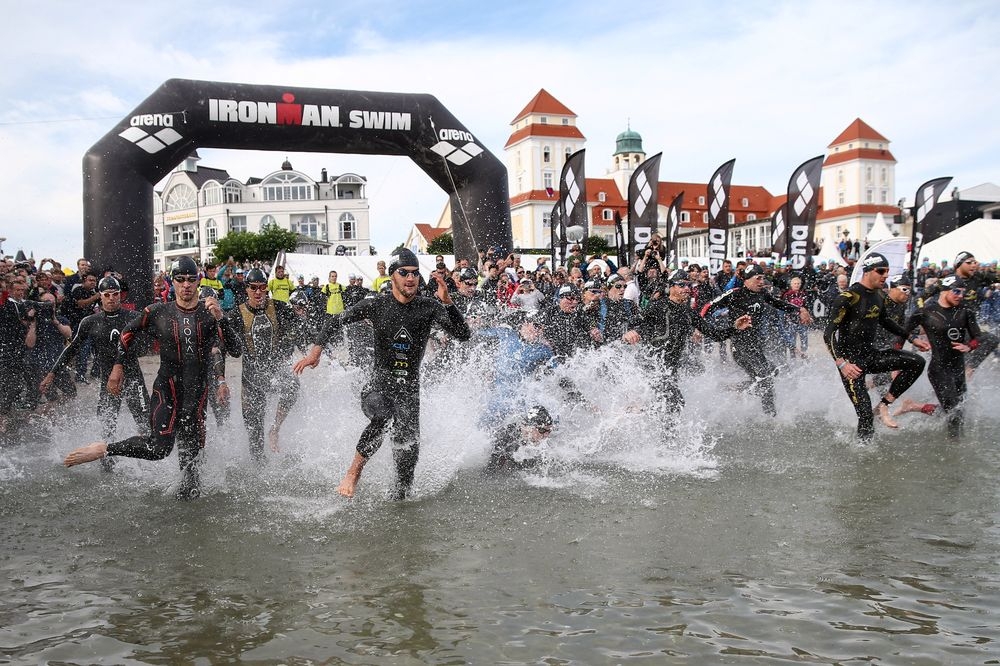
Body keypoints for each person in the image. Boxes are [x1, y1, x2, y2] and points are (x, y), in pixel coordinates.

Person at [293, 249, 471, 500]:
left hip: (409, 394)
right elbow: (334, 321)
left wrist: (448, 303)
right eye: (404, 273)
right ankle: (353, 473)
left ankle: (400, 509)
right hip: (378, 388)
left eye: (415, 273)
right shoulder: (377, 304)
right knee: (383, 416)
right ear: (392, 276)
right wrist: (315, 353)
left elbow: (463, 335)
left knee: (405, 480)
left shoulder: (429, 307)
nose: (410, 278)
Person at [63, 257, 241, 500]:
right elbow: (127, 333)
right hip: (167, 390)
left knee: (191, 474)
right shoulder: (158, 311)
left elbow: (236, 350)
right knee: (159, 448)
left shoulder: (210, 314)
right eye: (180, 280)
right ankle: (104, 449)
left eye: (191, 280)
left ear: (198, 282)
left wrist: (221, 317)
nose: (186, 285)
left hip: (196, 395)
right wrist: (118, 366)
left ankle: (186, 514)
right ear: (172, 282)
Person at [43, 276, 150, 470]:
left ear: (120, 295)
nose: (111, 298)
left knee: (146, 424)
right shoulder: (90, 321)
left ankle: (150, 464)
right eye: (107, 295)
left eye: (115, 294)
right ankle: (107, 464)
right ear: (100, 296)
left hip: (133, 378)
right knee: (107, 425)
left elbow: (143, 347)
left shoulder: (133, 317)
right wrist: (52, 373)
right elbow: (72, 349)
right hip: (108, 382)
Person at [823, 252, 930, 439]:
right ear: (867, 271)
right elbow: (828, 333)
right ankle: (862, 451)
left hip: (871, 356)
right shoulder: (848, 297)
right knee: (865, 416)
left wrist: (912, 338)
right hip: (852, 365)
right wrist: (841, 363)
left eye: (887, 271)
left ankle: (884, 405)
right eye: (881, 271)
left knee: (917, 362)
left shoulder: (879, 295)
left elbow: (886, 321)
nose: (885, 275)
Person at [702, 264, 812, 416]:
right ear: (747, 280)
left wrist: (800, 309)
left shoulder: (762, 294)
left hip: (756, 346)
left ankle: (737, 389)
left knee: (772, 372)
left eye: (763, 278)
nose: (762, 281)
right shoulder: (735, 293)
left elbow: (779, 304)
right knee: (766, 377)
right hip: (740, 347)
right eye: (758, 278)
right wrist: (699, 328)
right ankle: (770, 415)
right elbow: (708, 307)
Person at [635, 270, 752, 412]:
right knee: (674, 403)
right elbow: (636, 322)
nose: (686, 289)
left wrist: (735, 328)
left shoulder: (689, 313)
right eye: (681, 285)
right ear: (670, 287)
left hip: (670, 368)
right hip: (651, 364)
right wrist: (633, 332)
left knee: (671, 404)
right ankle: (640, 416)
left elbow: (715, 335)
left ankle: (639, 415)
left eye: (688, 285)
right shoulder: (658, 306)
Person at [226, 268, 306, 462]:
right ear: (246, 289)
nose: (258, 292)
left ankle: (275, 429)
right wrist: (221, 379)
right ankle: (258, 468)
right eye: (253, 288)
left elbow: (299, 328)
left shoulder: (278, 307)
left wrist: (301, 319)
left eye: (262, 288)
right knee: (255, 442)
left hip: (274, 373)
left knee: (293, 386)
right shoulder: (237, 314)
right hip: (251, 381)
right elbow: (229, 349)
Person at [893, 276, 988, 438]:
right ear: (944, 291)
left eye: (963, 292)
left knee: (959, 412)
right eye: (956, 291)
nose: (960, 296)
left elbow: (978, 337)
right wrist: (897, 363)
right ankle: (954, 445)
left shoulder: (965, 312)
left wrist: (969, 346)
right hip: (939, 369)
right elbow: (901, 334)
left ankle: (914, 407)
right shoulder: (925, 312)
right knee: (954, 412)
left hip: (958, 368)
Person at [483, 405, 554, 476]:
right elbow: (489, 473)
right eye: (542, 430)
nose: (546, 435)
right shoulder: (507, 440)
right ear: (529, 427)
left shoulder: (547, 441)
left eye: (549, 431)